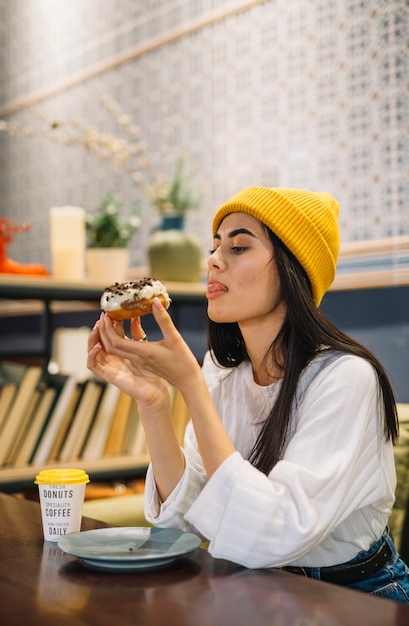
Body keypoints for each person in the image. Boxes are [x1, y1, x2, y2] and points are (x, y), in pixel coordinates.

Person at [88, 186, 409, 603]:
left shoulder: (346, 378)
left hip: (356, 595)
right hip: (259, 588)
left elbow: (274, 532)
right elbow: (187, 520)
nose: (214, 260)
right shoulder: (224, 373)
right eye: (216, 245)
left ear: (294, 270)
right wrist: (154, 402)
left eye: (239, 247)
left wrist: (190, 385)